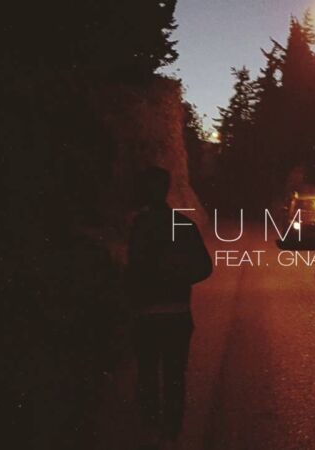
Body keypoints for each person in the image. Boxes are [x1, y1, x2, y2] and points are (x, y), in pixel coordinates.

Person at [126, 166, 212, 447]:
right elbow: (204, 267)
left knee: (147, 373)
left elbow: (132, 269)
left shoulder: (139, 226)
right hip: (177, 313)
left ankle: (151, 429)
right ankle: (171, 432)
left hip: (146, 314)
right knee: (175, 374)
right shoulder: (182, 225)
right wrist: (178, 278)